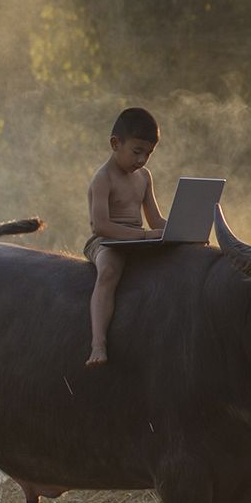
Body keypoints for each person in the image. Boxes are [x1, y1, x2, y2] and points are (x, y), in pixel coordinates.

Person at [84, 107, 165, 366]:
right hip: (107, 241)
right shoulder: (103, 178)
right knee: (109, 270)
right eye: (137, 152)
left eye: (148, 154)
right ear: (115, 144)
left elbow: (155, 220)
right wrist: (143, 236)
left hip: (137, 240)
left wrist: (179, 230)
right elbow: (100, 225)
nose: (142, 160)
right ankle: (98, 343)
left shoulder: (144, 177)